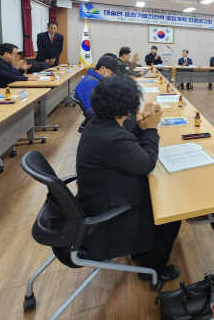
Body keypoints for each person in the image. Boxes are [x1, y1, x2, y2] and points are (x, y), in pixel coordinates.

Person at [75, 76, 181, 284]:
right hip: (110, 212)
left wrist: (140, 127)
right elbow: (146, 163)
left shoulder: (98, 124)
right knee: (170, 214)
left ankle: (140, 249)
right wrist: (151, 129)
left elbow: (125, 145)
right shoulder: (113, 137)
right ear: (129, 105)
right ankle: (153, 270)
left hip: (97, 197)